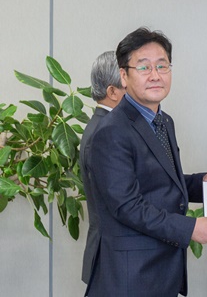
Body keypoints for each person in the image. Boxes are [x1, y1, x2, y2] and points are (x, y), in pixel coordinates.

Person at [85, 27, 207, 297]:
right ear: (124, 76)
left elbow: (159, 182)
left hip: (160, 271)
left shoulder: (163, 121)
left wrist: (202, 182)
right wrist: (190, 228)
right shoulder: (111, 132)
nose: (155, 75)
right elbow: (127, 205)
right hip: (129, 278)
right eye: (144, 67)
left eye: (162, 66)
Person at [80, 51, 126, 285]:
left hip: (112, 261)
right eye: (128, 82)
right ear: (113, 92)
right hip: (112, 262)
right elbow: (124, 204)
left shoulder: (101, 126)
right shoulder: (106, 133)